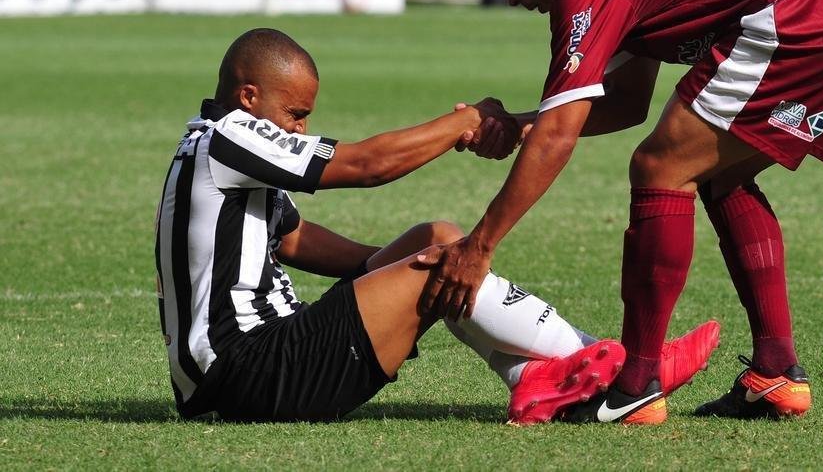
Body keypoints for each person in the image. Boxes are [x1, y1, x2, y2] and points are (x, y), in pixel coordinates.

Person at [424, 0, 823, 425]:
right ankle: (776, 372)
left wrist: (479, 246)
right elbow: (625, 104)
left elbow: (560, 134)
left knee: (659, 167)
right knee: (717, 175)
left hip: (808, 8)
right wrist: (518, 126)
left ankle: (635, 385)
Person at [153, 28, 717, 423]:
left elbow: (294, 238)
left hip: (253, 367)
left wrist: (394, 276)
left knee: (437, 242)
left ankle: (537, 381)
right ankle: (622, 370)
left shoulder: (216, 147)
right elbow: (368, 166)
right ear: (249, 97)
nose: (302, 127)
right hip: (249, 371)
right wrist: (465, 123)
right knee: (442, 259)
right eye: (295, 114)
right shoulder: (229, 135)